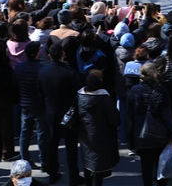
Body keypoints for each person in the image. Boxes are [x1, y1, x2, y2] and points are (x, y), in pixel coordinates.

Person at [38, 42, 82, 185]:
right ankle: (74, 176)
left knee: (52, 145)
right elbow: (77, 95)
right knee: (71, 148)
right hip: (69, 114)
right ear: (63, 54)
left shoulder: (42, 72)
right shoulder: (71, 73)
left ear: (50, 55)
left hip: (51, 113)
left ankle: (52, 173)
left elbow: (40, 93)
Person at [127, 63, 172, 186]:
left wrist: (130, 137)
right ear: (154, 74)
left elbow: (129, 115)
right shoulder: (161, 91)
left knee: (146, 167)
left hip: (140, 133)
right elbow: (167, 115)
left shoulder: (134, 91)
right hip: (159, 134)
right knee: (161, 165)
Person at [76, 69, 120, 186]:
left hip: (85, 133)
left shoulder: (80, 96)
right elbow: (115, 119)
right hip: (102, 134)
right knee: (98, 166)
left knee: (87, 161)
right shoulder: (104, 98)